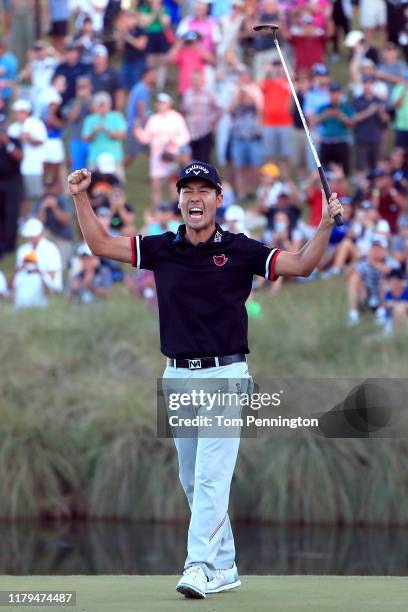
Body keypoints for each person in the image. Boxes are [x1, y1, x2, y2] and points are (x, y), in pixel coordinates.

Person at [67, 160, 343, 599]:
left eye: (204, 190)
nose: (195, 198)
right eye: (187, 191)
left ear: (218, 199)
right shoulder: (162, 247)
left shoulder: (240, 248)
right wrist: (80, 196)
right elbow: (99, 243)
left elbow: (303, 264)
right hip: (175, 375)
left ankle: (198, 565)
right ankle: (226, 565)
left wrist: (326, 225)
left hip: (227, 374)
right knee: (193, 481)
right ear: (178, 200)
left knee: (212, 478)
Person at [0, 113, 23, 259]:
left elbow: (20, 157)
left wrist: (7, 144)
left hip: (12, 182)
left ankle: (9, 247)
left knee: (11, 214)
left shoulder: (13, 141)